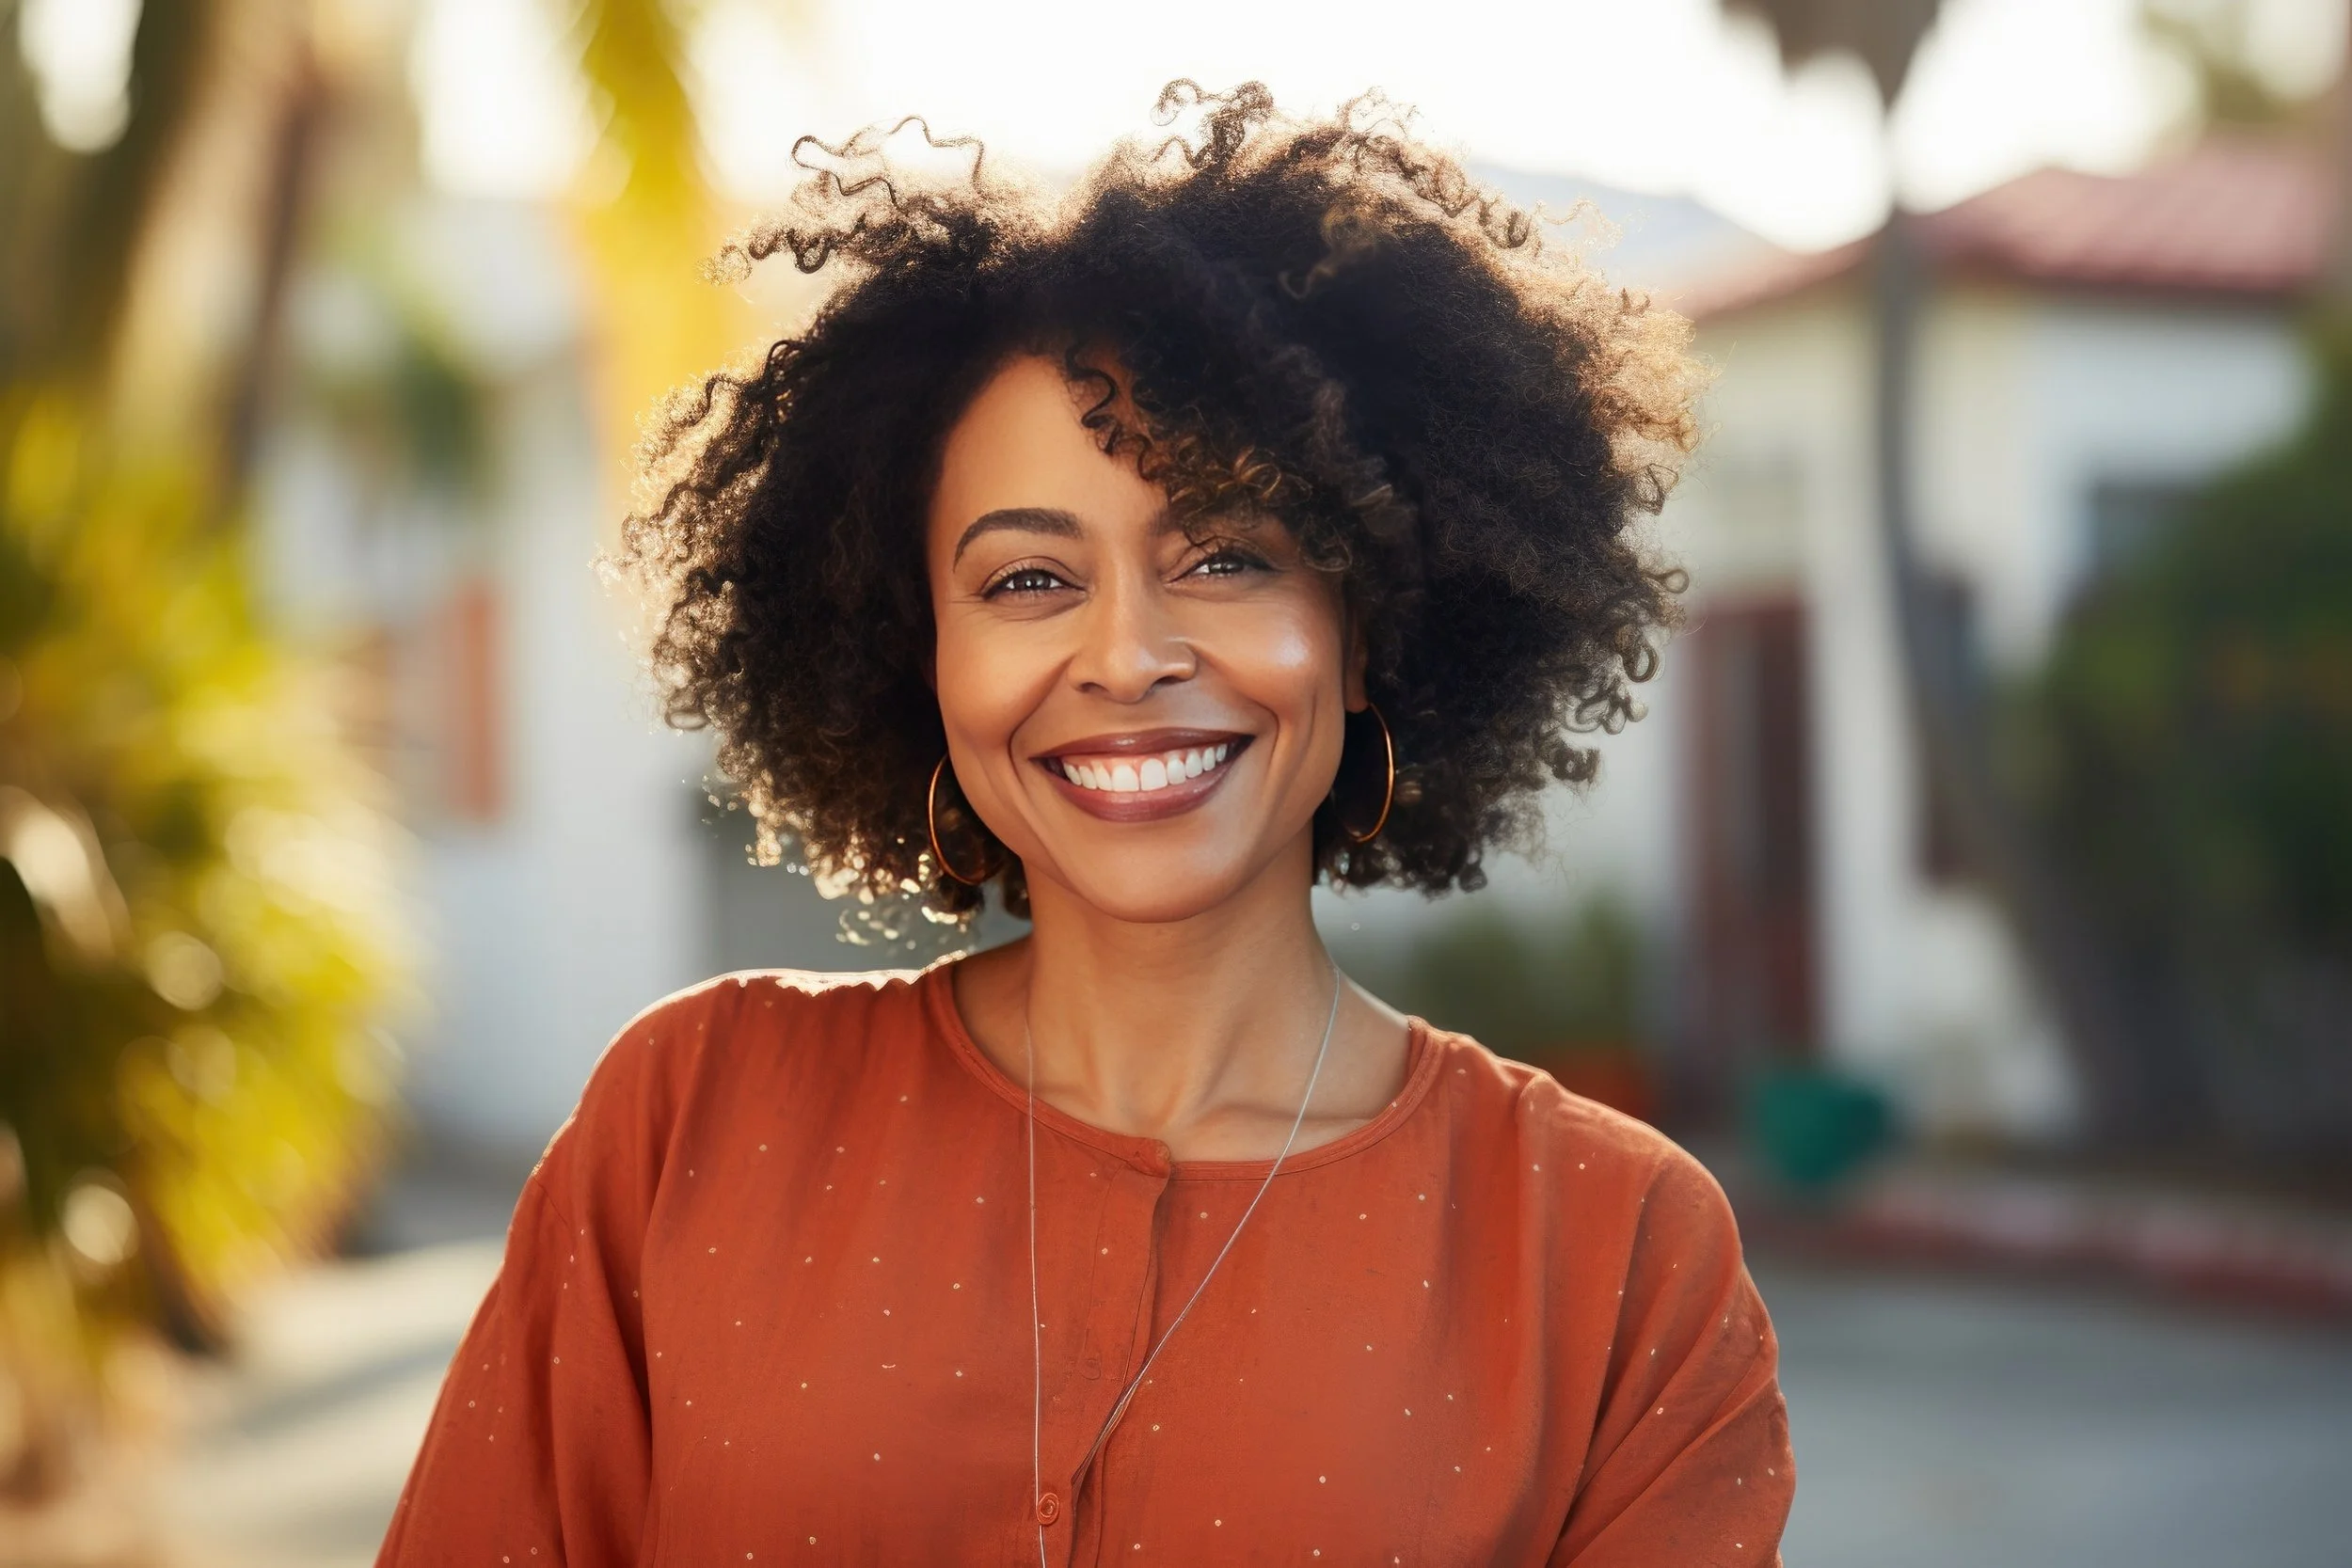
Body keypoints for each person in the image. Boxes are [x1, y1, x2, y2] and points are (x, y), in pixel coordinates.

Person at [379, 81, 1793, 1566]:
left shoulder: (1616, 1250)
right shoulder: (689, 1119)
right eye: (1027, 581)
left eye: (1229, 555)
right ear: (916, 650)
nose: (1127, 656)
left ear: (1365, 628)